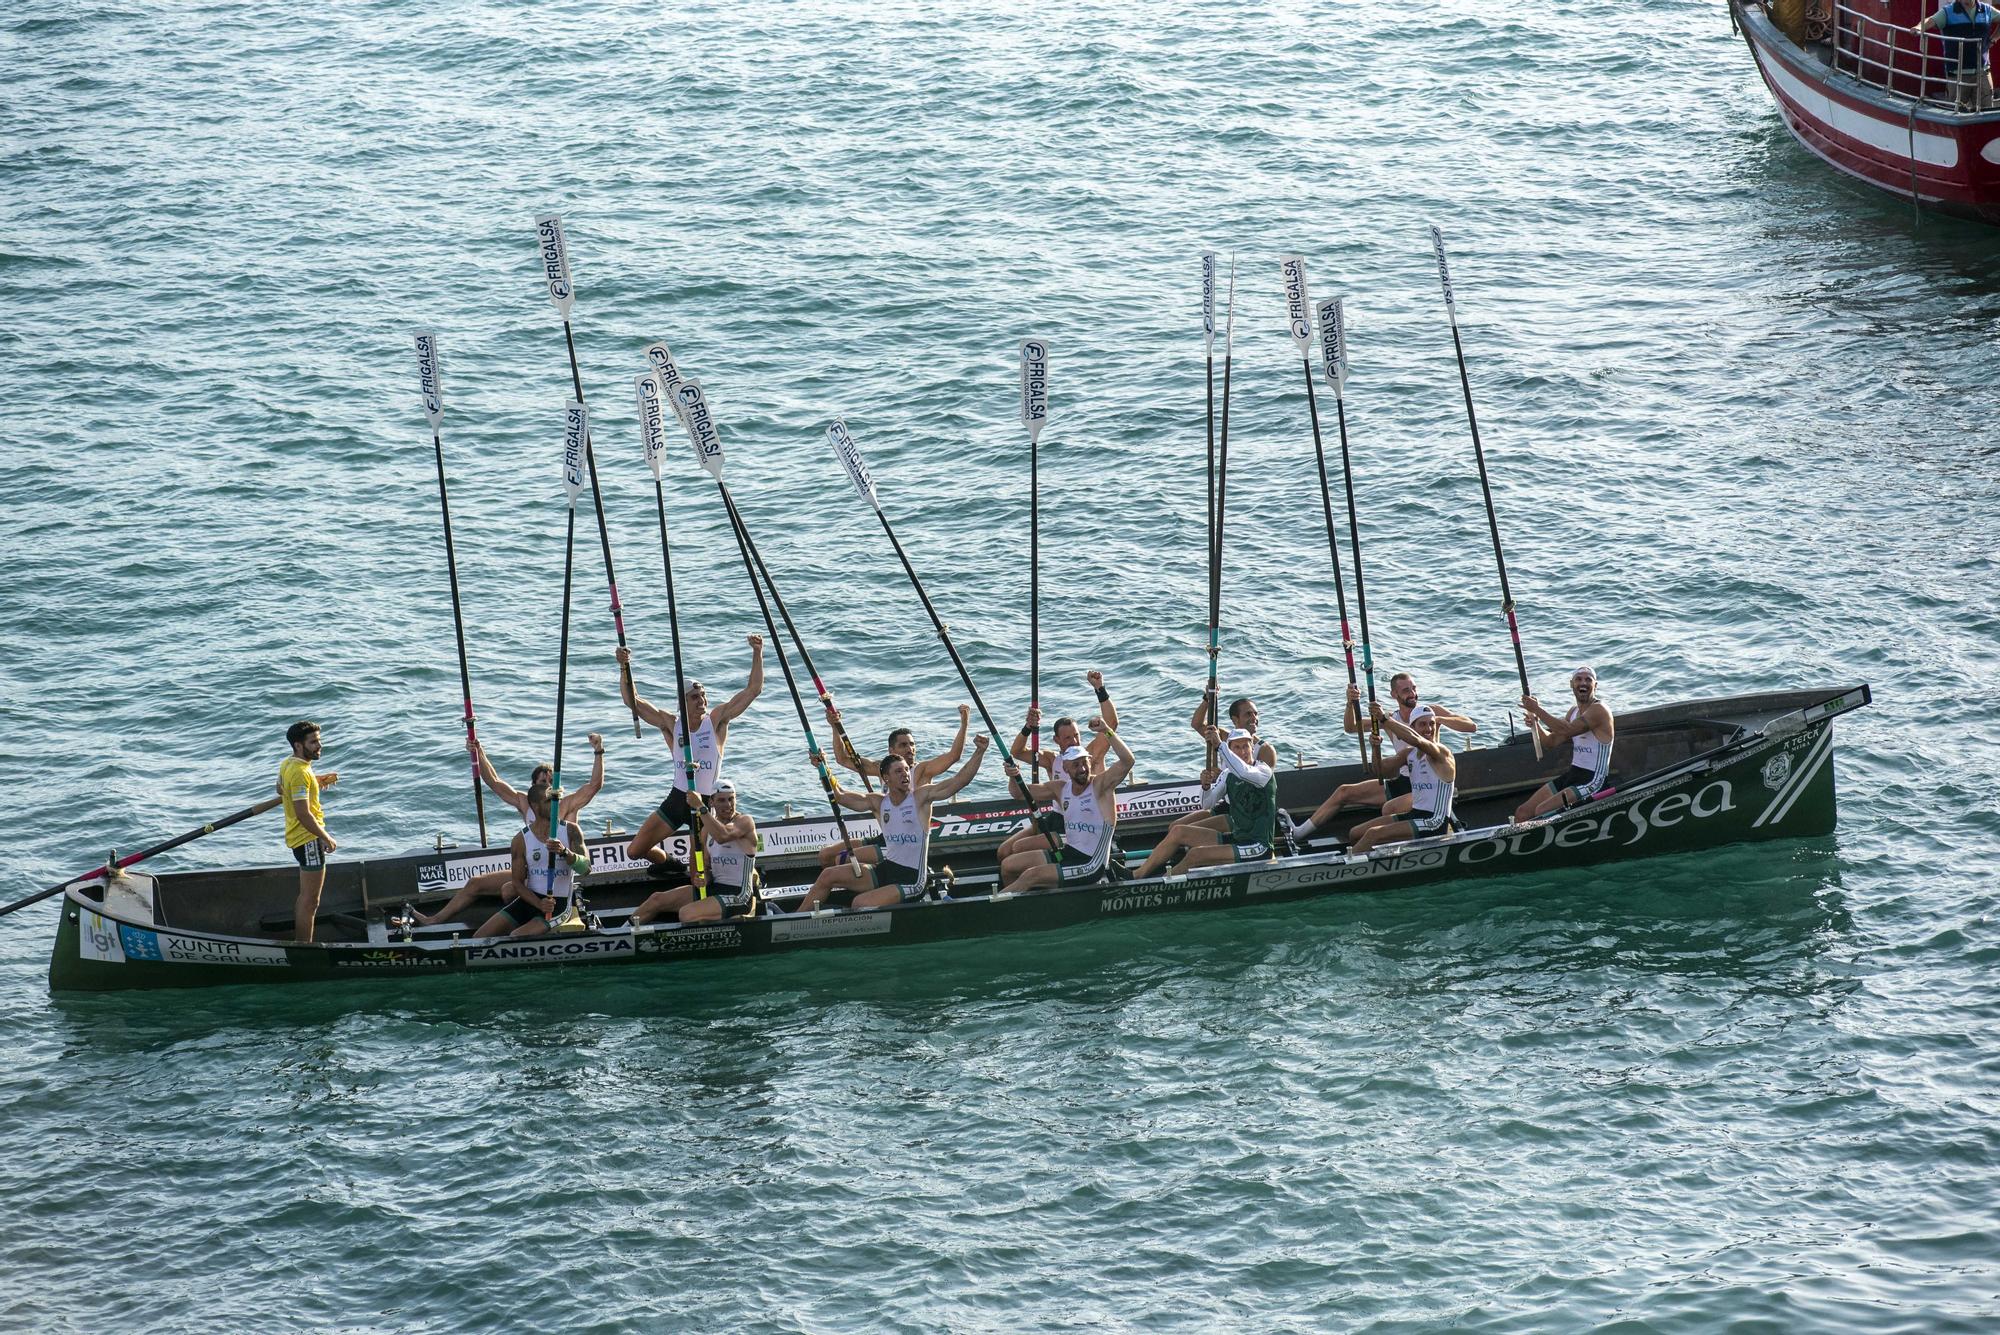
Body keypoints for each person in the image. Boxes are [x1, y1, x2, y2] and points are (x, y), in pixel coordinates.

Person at [413, 732, 605, 927]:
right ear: (532, 790)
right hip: (533, 872)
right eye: (542, 783)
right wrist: (479, 751)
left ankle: (528, 919)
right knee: (475, 883)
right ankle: (433, 920)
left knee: (508, 890)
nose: (547, 787)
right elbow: (494, 782)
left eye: (550, 783)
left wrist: (598, 751)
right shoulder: (525, 803)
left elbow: (594, 786)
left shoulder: (567, 804)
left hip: (556, 879)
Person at [617, 636, 764, 873]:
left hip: (706, 803)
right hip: (677, 799)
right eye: (695, 697)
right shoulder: (670, 723)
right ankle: (670, 864)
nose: (702, 700)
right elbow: (632, 701)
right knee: (635, 851)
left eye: (703, 695)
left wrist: (757, 652)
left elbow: (753, 690)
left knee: (700, 871)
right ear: (683, 701)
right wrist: (624, 668)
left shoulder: (716, 721)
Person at [795, 735, 992, 910]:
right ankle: (795, 919)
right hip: (887, 869)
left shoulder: (920, 798)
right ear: (886, 778)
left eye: (906, 770)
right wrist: (823, 767)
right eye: (899, 771)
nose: (906, 774)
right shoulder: (879, 803)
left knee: (859, 903)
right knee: (828, 875)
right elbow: (840, 796)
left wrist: (979, 752)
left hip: (912, 880)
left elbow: (960, 780)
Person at [1291, 675, 1477, 845]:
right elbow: (1351, 727)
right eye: (1406, 690)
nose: (1413, 694)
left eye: (1414, 688)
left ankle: (1408, 840)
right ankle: (1299, 833)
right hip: (1404, 778)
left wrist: (1439, 719)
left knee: (1389, 808)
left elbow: (1471, 726)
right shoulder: (1388, 718)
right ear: (1394, 694)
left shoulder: (1429, 713)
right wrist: (1350, 702)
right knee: (1344, 792)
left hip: (1431, 783)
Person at [814, 704, 970, 869]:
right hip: (886, 837)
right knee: (826, 855)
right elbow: (843, 758)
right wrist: (835, 726)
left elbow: (954, 756)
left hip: (906, 843)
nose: (910, 749)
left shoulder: (923, 770)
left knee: (843, 859)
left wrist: (964, 723)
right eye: (903, 745)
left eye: (912, 744)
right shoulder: (883, 769)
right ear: (891, 750)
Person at [995, 672, 1123, 863]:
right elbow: (1017, 751)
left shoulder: (1091, 756)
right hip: (1056, 817)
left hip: (1080, 823)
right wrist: (1029, 726)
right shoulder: (1050, 759)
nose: (1074, 741)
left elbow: (1112, 724)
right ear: (1057, 740)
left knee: (1018, 849)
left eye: (1077, 735)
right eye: (1067, 738)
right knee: (1004, 851)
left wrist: (1099, 689)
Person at [995, 722, 1136, 893]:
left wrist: (1106, 731)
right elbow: (1018, 793)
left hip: (1091, 864)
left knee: (1030, 876)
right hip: (1068, 853)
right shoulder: (1061, 789)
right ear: (1065, 768)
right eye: (1076, 765)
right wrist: (1013, 775)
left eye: (1085, 763)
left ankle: (996, 906)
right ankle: (1016, 905)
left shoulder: (1101, 786)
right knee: (1008, 865)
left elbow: (1128, 761)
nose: (1083, 769)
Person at [1133, 726, 1278, 879]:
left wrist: (1219, 745)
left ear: (1252, 747)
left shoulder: (1263, 771)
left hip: (1259, 847)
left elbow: (1243, 772)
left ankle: (1159, 883)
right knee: (1178, 831)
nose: (1242, 752)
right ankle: (1136, 875)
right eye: (1236, 747)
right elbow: (1206, 804)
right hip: (1238, 838)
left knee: (1196, 854)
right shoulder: (1227, 775)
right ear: (1231, 750)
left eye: (1245, 746)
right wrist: (1205, 786)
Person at [472, 781, 591, 938]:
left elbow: (586, 869)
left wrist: (564, 852)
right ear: (535, 806)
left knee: (516, 936)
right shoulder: (520, 840)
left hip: (558, 905)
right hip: (532, 901)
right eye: (549, 801)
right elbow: (518, 883)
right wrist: (538, 904)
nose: (555, 805)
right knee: (478, 938)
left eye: (556, 800)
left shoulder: (571, 830)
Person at [631, 780, 759, 925]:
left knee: (686, 914)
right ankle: (618, 932)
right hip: (715, 889)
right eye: (722, 800)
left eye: (731, 799)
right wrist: (704, 877)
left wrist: (699, 806)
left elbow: (723, 836)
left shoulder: (745, 822)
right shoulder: (705, 831)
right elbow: (707, 868)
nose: (728, 805)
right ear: (712, 802)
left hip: (739, 895)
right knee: (657, 899)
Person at [1159, 692, 1280, 844]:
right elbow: (1197, 724)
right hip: (1226, 802)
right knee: (1174, 826)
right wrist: (1207, 699)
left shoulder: (1265, 750)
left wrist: (1222, 774)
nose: (1254, 718)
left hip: (1246, 810)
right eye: (1248, 714)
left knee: (1185, 834)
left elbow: (1260, 787)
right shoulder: (1223, 737)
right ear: (1235, 720)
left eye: (1256, 714)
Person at [1348, 705, 1460, 854]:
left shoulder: (1441, 753)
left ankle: (1342, 868)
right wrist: (1375, 748)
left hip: (1435, 822)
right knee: (1354, 833)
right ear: (1412, 727)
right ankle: (1385, 855)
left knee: (1373, 834)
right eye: (1423, 724)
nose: (1429, 728)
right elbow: (1380, 770)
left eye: (1432, 723)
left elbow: (1416, 740)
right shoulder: (1409, 754)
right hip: (1415, 814)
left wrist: (1384, 718)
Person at [1513, 666, 1616, 823]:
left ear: (1595, 685)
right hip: (1573, 775)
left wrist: (1537, 710)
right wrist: (1536, 723)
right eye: (1579, 679)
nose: (1583, 683)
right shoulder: (1573, 711)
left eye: (1588, 679)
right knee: (1522, 813)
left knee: (1541, 811)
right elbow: (1551, 742)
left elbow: (1566, 730)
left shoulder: (1600, 710)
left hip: (1594, 780)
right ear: (1571, 684)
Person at [278, 720, 338, 944]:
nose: (319, 746)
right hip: (308, 839)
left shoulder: (288, 764)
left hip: (297, 838)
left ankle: (302, 943)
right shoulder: (300, 773)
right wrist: (326, 837)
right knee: (310, 900)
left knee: (306, 897)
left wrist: (315, 781)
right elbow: (304, 815)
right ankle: (304, 946)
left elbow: (280, 788)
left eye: (319, 741)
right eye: (313, 742)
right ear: (298, 745)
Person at [1914, 0, 1998, 110]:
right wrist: (1919, 28)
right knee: (1955, 110)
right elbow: (1930, 20)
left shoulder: (1986, 10)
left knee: (1986, 111)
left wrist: (1994, 39)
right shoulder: (1948, 11)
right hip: (1957, 74)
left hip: (1983, 73)